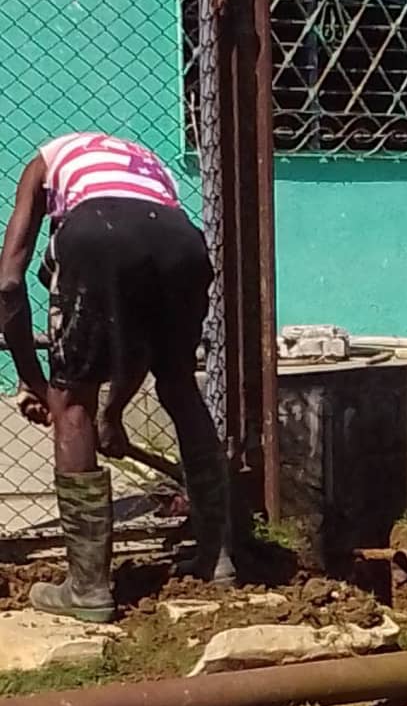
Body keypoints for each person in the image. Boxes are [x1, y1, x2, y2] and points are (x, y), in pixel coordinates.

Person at [0, 132, 235, 623]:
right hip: (182, 241)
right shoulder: (145, 164)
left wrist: (37, 382)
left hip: (95, 235)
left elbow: (8, 284)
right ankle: (218, 559)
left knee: (73, 405)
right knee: (180, 386)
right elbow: (138, 338)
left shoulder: (44, 162)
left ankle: (87, 588)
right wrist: (114, 415)